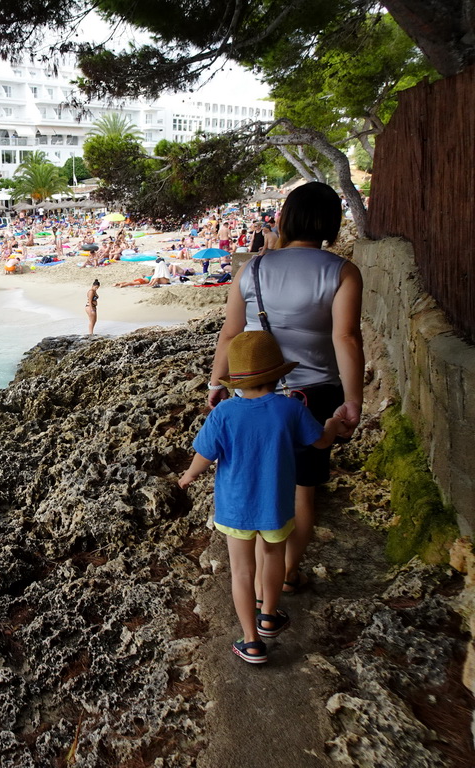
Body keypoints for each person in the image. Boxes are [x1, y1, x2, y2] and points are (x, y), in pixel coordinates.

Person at [208, 181, 364, 597]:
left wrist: (215, 383)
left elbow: (230, 333)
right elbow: (346, 338)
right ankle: (288, 573)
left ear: (284, 218)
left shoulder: (253, 269)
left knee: (258, 478)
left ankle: (257, 579)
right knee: (302, 489)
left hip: (255, 391)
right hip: (316, 394)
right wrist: (353, 400)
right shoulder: (342, 272)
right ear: (333, 223)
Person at [180, 331, 348, 664]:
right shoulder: (290, 409)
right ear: (279, 373)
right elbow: (320, 442)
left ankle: (251, 641)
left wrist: (187, 476)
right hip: (276, 507)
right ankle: (269, 615)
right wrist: (332, 425)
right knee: (272, 558)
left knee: (241, 572)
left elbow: (204, 454)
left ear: (235, 379)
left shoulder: (224, 413)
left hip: (235, 510)